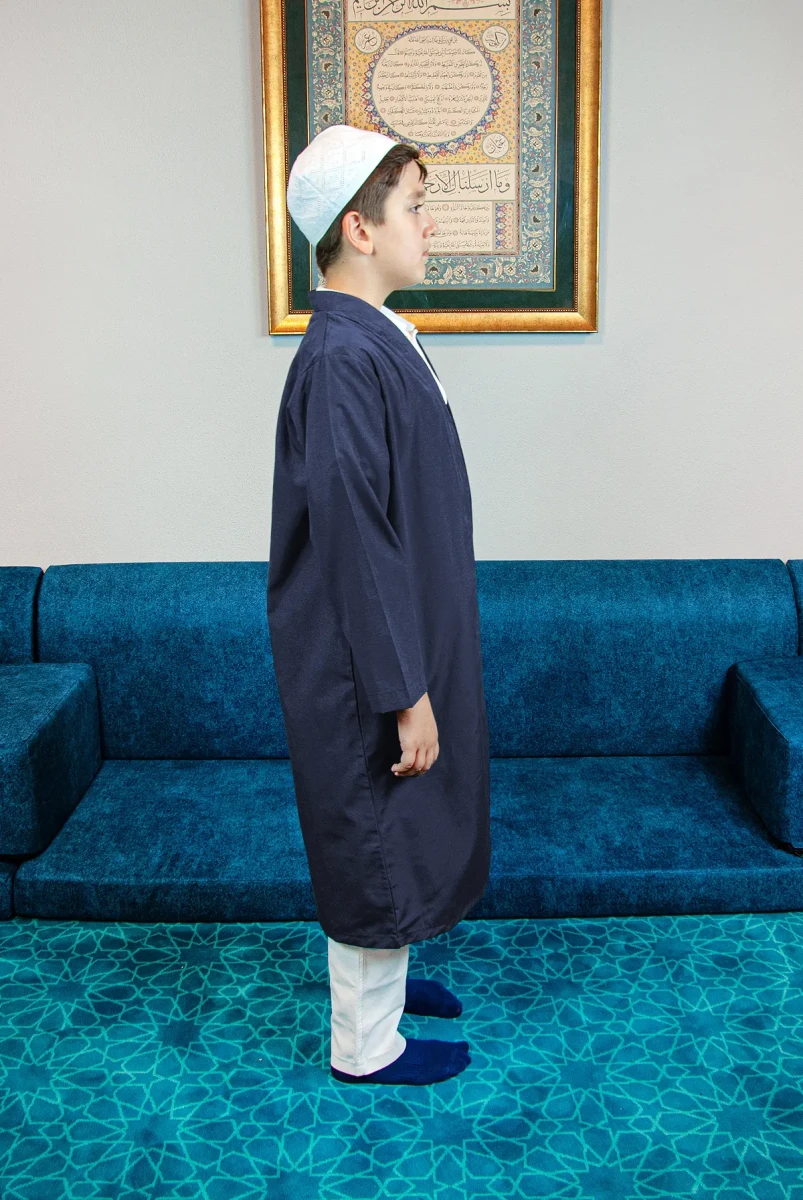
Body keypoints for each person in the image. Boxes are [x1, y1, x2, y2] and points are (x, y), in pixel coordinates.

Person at [268, 123, 491, 1086]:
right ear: (359, 229)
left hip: (405, 630)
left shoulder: (375, 337)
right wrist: (402, 689)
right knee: (372, 824)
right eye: (414, 207)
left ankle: (389, 982)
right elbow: (354, 534)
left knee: (406, 818)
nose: (428, 225)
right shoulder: (341, 358)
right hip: (364, 655)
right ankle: (365, 1046)